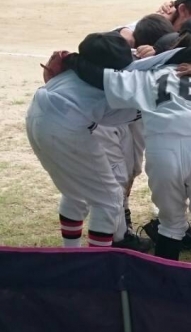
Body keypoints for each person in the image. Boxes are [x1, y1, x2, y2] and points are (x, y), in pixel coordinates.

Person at [68, 20, 191, 264]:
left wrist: (71, 61)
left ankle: (164, 285)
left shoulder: (148, 74)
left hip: (163, 151)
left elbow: (102, 78)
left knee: (170, 225)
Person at [26, 34, 145, 250]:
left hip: (37, 114)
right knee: (109, 200)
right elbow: (132, 110)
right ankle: (93, 265)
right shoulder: (111, 83)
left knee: (75, 192)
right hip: (64, 127)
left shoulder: (76, 68)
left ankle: (70, 253)